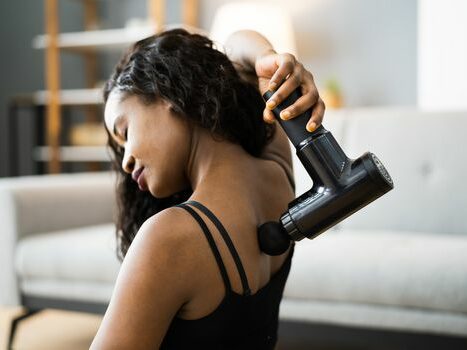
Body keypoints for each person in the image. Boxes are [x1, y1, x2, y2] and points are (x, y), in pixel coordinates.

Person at [90, 28, 325, 349]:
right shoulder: (277, 172)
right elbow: (239, 46)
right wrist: (266, 58)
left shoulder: (168, 239)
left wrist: (267, 64)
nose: (126, 161)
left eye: (125, 131)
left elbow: (235, 49)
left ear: (167, 94)